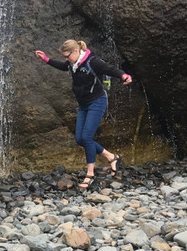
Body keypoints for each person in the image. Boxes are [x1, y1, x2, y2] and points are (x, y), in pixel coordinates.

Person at [34, 39, 133, 189]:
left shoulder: (92, 61)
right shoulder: (72, 63)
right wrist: (46, 59)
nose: (66, 59)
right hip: (83, 105)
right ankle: (111, 157)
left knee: (87, 137)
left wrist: (124, 76)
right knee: (80, 139)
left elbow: (110, 69)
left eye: (67, 56)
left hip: (97, 102)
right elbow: (63, 67)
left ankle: (90, 174)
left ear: (75, 51)